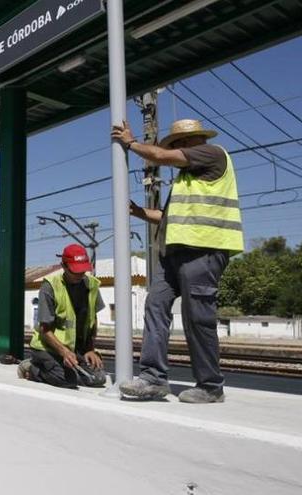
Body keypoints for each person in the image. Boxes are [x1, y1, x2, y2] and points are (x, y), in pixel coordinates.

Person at [111, 119, 243, 404]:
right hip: (174, 254)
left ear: (196, 140)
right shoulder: (185, 181)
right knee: (155, 304)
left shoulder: (213, 153)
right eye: (177, 144)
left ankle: (210, 386)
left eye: (183, 142)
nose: (180, 148)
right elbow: (166, 216)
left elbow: (160, 156)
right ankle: (153, 379)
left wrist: (131, 143)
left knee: (197, 318)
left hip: (204, 250)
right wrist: (138, 212)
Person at [18, 244, 107, 389]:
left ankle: (66, 369)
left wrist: (90, 349)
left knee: (98, 378)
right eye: (75, 272)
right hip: (47, 348)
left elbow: (93, 320)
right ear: (64, 266)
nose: (79, 275)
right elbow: (44, 329)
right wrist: (64, 352)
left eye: (82, 271)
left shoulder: (91, 285)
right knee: (68, 380)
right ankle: (32, 368)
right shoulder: (50, 287)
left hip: (74, 350)